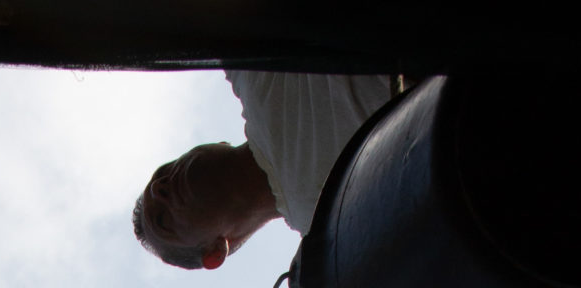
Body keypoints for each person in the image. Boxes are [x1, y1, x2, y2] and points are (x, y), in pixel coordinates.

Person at [133, 72, 396, 270]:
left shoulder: (251, 74)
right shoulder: (336, 230)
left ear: (216, 143)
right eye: (163, 220)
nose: (160, 189)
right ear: (216, 252)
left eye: (162, 173)